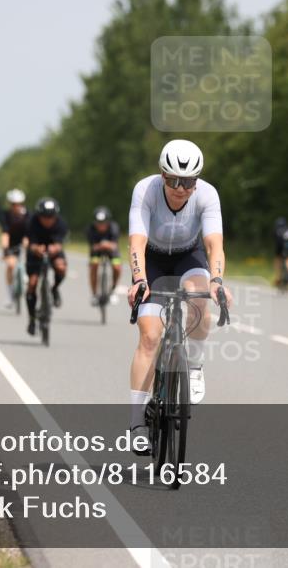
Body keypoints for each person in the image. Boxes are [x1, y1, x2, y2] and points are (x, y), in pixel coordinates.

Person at [126, 139, 232, 452]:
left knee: (200, 299)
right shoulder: (144, 191)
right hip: (153, 261)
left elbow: (214, 244)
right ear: (162, 175)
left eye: (188, 182)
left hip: (189, 255)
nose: (180, 188)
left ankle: (195, 368)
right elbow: (136, 241)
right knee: (149, 337)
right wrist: (139, 280)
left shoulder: (208, 195)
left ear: (196, 181)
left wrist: (217, 281)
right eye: (173, 180)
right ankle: (136, 422)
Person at [25, 197, 68, 335]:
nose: (48, 220)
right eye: (44, 217)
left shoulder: (61, 223)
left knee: (61, 267)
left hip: (53, 251)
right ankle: (32, 319)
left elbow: (60, 243)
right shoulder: (31, 222)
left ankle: (54, 288)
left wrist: (55, 249)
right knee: (32, 283)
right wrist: (36, 249)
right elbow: (30, 243)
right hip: (35, 252)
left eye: (51, 217)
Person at [87, 206, 122, 306]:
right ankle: (94, 294)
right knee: (94, 265)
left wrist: (106, 245)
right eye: (98, 223)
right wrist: (101, 245)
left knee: (117, 267)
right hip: (97, 251)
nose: (101, 226)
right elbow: (93, 247)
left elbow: (114, 245)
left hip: (111, 250)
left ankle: (113, 290)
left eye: (103, 223)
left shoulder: (114, 227)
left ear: (108, 222)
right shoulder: (90, 229)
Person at [1, 189, 29, 307]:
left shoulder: (27, 214)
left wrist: (27, 240)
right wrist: (5, 248)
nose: (16, 207)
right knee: (11, 265)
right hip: (12, 243)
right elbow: (5, 233)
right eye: (13, 204)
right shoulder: (6, 216)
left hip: (26, 240)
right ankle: (10, 296)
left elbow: (30, 230)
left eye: (18, 204)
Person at [273, 216, 288, 287]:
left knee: (278, 259)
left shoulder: (277, 229)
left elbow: (275, 240)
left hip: (280, 245)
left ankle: (278, 277)